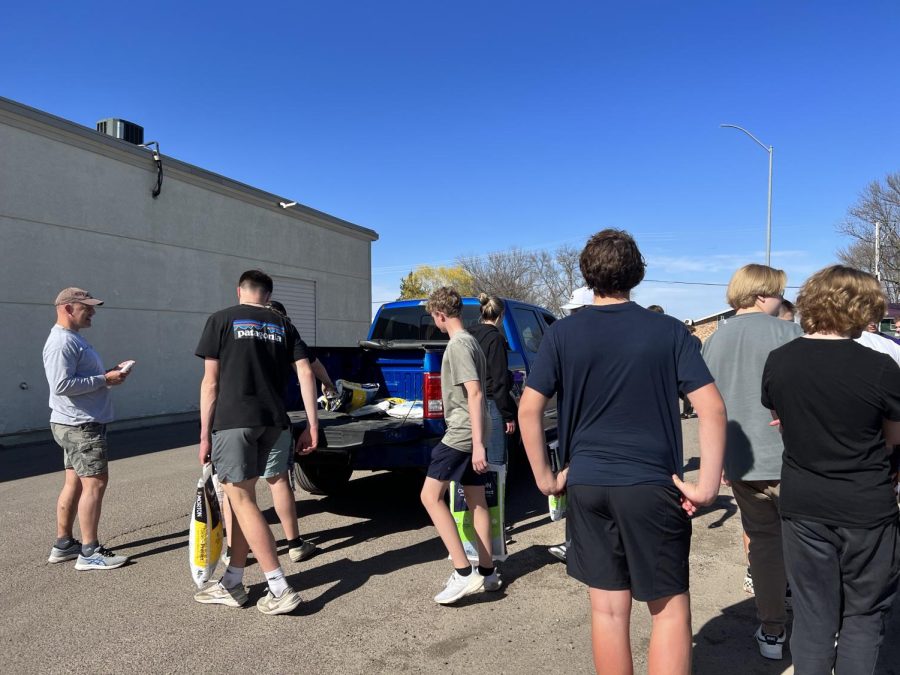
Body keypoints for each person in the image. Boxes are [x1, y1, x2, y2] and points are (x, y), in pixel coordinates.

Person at [519, 229, 726, 675]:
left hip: (588, 483)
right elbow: (711, 408)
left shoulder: (561, 335)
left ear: (587, 274)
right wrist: (706, 485)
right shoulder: (668, 332)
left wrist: (547, 479)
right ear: (637, 273)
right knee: (668, 611)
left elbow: (529, 408)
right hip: (651, 486)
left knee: (608, 612)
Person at [762, 265, 900, 675]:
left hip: (804, 501)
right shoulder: (881, 368)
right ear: (861, 308)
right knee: (863, 614)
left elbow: (781, 419)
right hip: (866, 505)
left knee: (813, 614)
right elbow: (894, 438)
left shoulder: (779, 361)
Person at [193, 270, 319, 615]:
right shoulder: (283, 325)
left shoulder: (220, 320)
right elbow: (306, 372)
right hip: (275, 423)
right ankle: (233, 581)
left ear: (239, 291)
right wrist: (311, 424)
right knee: (245, 501)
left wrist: (204, 434)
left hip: (234, 422)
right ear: (268, 294)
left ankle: (278, 587)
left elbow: (210, 383)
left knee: (242, 500)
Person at [701, 264, 803, 660]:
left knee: (762, 545)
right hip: (792, 459)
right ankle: (818, 627)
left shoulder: (714, 341)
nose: (781, 300)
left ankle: (772, 628)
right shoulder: (791, 334)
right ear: (763, 294)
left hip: (741, 461)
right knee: (809, 545)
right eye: (778, 292)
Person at [419, 286, 499, 604]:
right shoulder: (472, 342)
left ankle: (463, 572)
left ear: (440, 316)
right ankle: (488, 572)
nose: (435, 324)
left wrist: (478, 445)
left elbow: (475, 392)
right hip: (473, 431)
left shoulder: (458, 345)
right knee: (477, 501)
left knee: (429, 496)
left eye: (434, 319)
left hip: (464, 433)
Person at [43, 287, 131, 570]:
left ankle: (65, 544)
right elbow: (61, 385)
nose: (92, 312)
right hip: (80, 425)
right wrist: (104, 378)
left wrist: (106, 376)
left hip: (75, 422)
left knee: (75, 482)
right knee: (95, 482)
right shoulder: (62, 342)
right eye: (87, 307)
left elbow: (78, 379)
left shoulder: (72, 339)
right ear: (68, 308)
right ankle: (90, 551)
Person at [547, 285, 595, 564]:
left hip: (580, 431)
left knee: (579, 489)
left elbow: (531, 404)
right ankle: (575, 543)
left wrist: (544, 476)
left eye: (577, 311)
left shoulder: (566, 340)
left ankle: (576, 545)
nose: (574, 316)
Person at [467, 294, 517, 467]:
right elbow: (499, 380)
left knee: (474, 458)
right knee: (496, 460)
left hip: (468, 402)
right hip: (491, 403)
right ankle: (496, 493)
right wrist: (508, 415)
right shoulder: (496, 340)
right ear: (501, 315)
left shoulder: (468, 336)